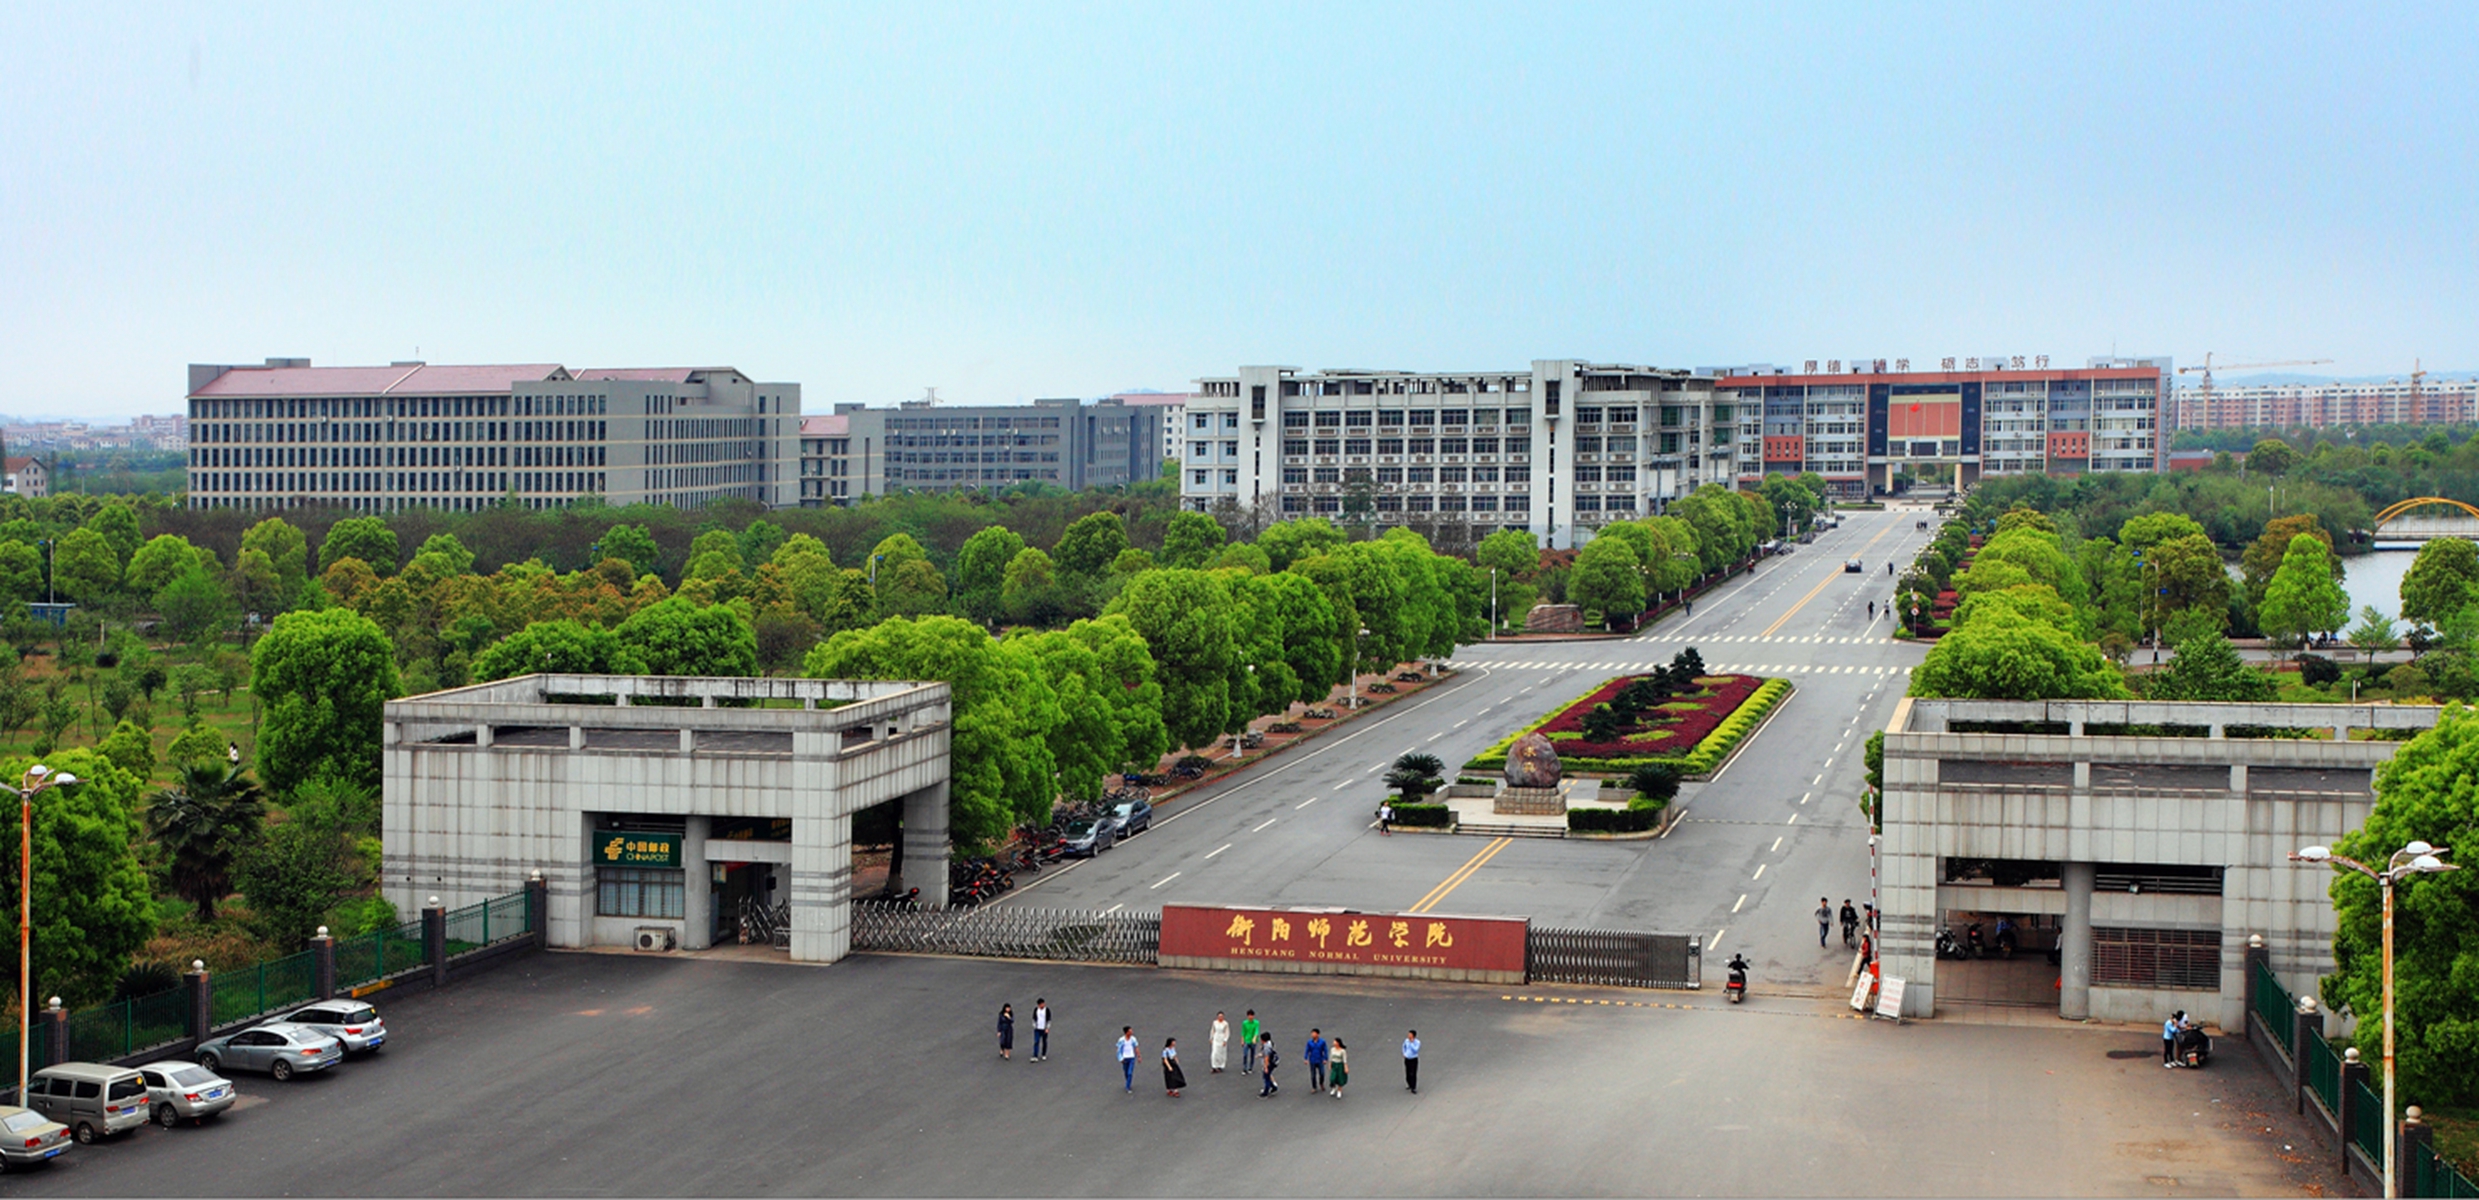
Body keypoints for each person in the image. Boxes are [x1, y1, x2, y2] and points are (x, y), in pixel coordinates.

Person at [1305, 1029, 1329, 1094]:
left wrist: (1325, 1059)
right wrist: (1306, 1058)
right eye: (1312, 1033)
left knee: (1322, 1073)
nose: (1312, 1035)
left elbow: (1325, 1050)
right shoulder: (1309, 1042)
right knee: (1313, 1075)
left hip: (1320, 1060)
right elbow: (1307, 1051)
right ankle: (1314, 1087)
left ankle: (1321, 1083)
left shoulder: (1322, 1042)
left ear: (1318, 1034)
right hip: (1312, 1060)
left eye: (1314, 1033)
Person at [1118, 1026, 1140, 1092]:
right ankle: (1128, 1082)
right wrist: (1120, 1058)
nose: (1132, 1032)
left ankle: (1127, 1087)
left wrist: (1138, 1056)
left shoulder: (1133, 1039)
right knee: (1126, 1072)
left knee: (1130, 1073)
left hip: (1131, 1058)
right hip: (1125, 1058)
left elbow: (1136, 1047)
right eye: (1130, 1031)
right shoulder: (1121, 1040)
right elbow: (1118, 1050)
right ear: (1126, 1032)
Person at [1402, 1030, 1421, 1094]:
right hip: (1407, 1058)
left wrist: (1412, 1043)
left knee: (1413, 1073)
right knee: (1407, 1073)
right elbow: (1403, 1046)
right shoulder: (1406, 1040)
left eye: (1410, 1034)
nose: (1408, 1035)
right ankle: (1409, 1084)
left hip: (1413, 1059)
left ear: (1413, 1035)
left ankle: (1413, 1087)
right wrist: (1404, 1053)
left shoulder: (1417, 1042)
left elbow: (1415, 1050)